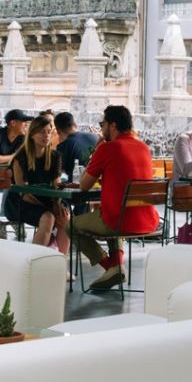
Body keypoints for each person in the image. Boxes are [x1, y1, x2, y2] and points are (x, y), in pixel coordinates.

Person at [71, 105, 159, 291]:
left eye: (102, 124)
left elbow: (84, 185)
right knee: (112, 213)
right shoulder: (143, 148)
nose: (101, 128)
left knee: (69, 225)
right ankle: (116, 265)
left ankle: (111, 266)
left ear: (112, 125)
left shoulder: (108, 148)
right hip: (148, 220)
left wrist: (97, 152)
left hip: (118, 220)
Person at [3, 115, 70, 254]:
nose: (46, 136)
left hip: (47, 200)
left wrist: (57, 204)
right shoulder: (20, 158)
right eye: (41, 132)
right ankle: (34, 263)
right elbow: (23, 193)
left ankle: (60, 264)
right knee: (48, 217)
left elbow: (56, 185)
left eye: (48, 132)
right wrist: (51, 208)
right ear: (32, 134)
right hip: (20, 202)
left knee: (65, 218)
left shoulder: (55, 156)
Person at [54, 111, 100, 181]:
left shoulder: (63, 146)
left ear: (58, 130)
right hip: (97, 184)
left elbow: (60, 174)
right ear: (75, 124)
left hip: (76, 186)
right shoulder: (96, 137)